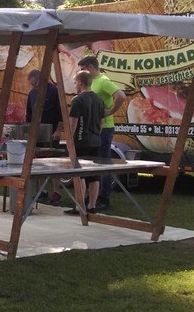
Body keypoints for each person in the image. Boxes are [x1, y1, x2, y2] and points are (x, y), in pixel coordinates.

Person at [76, 55, 125, 211]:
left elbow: (120, 95)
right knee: (90, 164)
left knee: (103, 163)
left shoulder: (103, 81)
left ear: (90, 67)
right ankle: (91, 198)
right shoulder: (92, 82)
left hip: (104, 128)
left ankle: (104, 197)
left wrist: (110, 112)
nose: (81, 71)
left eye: (83, 69)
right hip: (92, 129)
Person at [55, 70, 104, 215]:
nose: (75, 85)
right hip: (96, 141)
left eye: (75, 82)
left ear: (81, 82)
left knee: (79, 174)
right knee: (94, 174)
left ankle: (79, 207)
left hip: (81, 141)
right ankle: (92, 206)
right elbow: (101, 121)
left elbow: (73, 122)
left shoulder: (78, 100)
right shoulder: (99, 99)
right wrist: (96, 134)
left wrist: (69, 139)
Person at [26, 69, 63, 205]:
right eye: (32, 85)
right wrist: (28, 132)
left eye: (35, 84)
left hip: (52, 131)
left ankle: (56, 192)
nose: (33, 87)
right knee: (38, 162)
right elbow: (29, 115)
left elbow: (61, 113)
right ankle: (42, 190)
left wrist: (58, 130)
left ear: (40, 80)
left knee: (53, 162)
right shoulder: (32, 94)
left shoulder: (54, 91)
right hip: (37, 132)